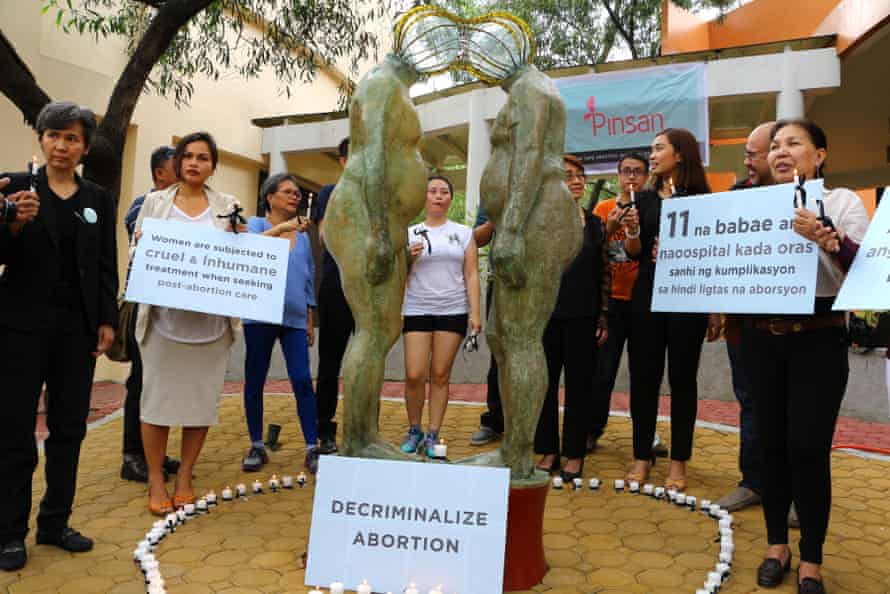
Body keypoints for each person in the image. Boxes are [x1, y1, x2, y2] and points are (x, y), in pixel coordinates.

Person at [744, 119, 867, 594]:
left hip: (818, 338)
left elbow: (861, 272)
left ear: (820, 155)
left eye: (794, 143)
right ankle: (777, 545)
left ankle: (811, 558)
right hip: (761, 340)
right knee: (770, 445)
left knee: (809, 450)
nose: (781, 152)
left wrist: (825, 237)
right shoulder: (748, 208)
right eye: (775, 145)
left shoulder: (842, 202)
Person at [0, 101, 118, 571]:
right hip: (19, 325)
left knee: (69, 427)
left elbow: (107, 262)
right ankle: (10, 532)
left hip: (78, 329)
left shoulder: (97, 199)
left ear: (84, 147)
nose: (61, 145)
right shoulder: (14, 185)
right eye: (53, 135)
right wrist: (11, 221)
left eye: (72, 138)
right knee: (13, 431)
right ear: (41, 139)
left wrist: (107, 318)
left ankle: (55, 522)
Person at [461, 62, 583, 479]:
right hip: (522, 223)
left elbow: (530, 153)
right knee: (501, 337)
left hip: (535, 221)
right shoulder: (520, 91)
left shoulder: (533, 88)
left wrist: (510, 228)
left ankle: (519, 452)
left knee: (522, 338)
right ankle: (512, 446)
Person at [323, 54, 429, 459]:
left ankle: (364, 434)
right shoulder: (383, 83)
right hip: (369, 217)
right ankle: (357, 439)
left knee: (380, 329)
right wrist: (381, 233)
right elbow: (373, 158)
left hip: (380, 218)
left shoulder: (392, 86)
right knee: (373, 329)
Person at [132, 131, 241, 515]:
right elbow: (135, 250)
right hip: (163, 323)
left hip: (210, 327)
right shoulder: (155, 202)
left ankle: (185, 476)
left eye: (203, 157)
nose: (195, 163)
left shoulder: (229, 205)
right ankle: (157, 478)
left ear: (213, 165)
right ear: (178, 162)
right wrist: (143, 244)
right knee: (156, 404)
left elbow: (242, 255)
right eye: (188, 156)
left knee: (200, 405)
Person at [622, 128, 720, 490]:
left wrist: (713, 308)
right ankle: (641, 456)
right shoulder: (643, 199)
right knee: (643, 378)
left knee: (682, 380)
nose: (652, 154)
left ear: (680, 154)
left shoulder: (704, 201)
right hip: (647, 293)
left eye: (659, 148)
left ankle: (679, 463)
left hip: (688, 296)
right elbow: (634, 253)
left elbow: (712, 256)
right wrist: (633, 233)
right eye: (652, 149)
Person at [534, 155, 609, 482]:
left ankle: (574, 453)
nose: (577, 181)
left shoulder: (594, 224)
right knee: (544, 387)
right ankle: (548, 450)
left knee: (580, 387)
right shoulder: (542, 222)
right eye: (569, 176)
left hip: (584, 317)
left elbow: (603, 272)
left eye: (580, 176)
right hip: (546, 316)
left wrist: (603, 317)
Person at [241, 173, 320, 473]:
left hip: (295, 319)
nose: (295, 196)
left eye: (297, 192)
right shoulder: (257, 224)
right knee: (255, 380)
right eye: (287, 191)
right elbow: (250, 248)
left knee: (301, 379)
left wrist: (310, 318)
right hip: (259, 315)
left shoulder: (303, 237)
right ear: (269, 197)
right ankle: (256, 445)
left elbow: (308, 278)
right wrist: (285, 227)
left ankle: (312, 447)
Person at [715, 122, 774, 512]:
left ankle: (794, 492)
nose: (747, 161)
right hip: (743, 326)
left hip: (794, 327)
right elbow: (718, 256)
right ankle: (753, 481)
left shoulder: (807, 198)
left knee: (792, 410)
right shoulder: (735, 197)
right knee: (750, 402)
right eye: (747, 154)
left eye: (753, 153)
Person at [400, 176, 481, 456]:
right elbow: (396, 275)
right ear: (423, 197)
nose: (438, 196)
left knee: (440, 374)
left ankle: (433, 434)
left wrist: (476, 313)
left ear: (450, 198)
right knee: (413, 374)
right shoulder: (408, 233)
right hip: (417, 307)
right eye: (432, 191)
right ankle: (414, 429)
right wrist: (407, 257)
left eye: (444, 192)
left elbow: (471, 274)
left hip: (453, 309)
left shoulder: (464, 232)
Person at [120, 146, 180, 483]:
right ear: (160, 173)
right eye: (178, 166)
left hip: (168, 312)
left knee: (159, 384)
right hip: (144, 308)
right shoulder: (144, 206)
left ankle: (153, 452)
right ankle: (132, 456)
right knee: (141, 383)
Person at [587, 153, 645, 451]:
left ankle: (645, 434)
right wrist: (609, 228)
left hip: (643, 303)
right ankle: (592, 429)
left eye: (637, 172)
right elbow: (593, 251)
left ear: (646, 176)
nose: (631, 177)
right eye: (626, 172)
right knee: (602, 371)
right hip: (611, 304)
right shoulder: (603, 208)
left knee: (643, 374)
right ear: (618, 175)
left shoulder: (651, 207)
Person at [313, 138, 353, 455]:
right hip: (336, 288)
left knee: (369, 362)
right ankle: (323, 430)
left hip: (371, 290)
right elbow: (326, 237)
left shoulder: (380, 196)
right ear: (342, 161)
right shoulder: (330, 193)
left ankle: (364, 429)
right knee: (330, 362)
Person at [468, 206, 503, 446]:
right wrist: (493, 219)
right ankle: (494, 421)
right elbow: (477, 239)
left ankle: (535, 426)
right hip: (499, 281)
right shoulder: (493, 193)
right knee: (499, 354)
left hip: (535, 283)